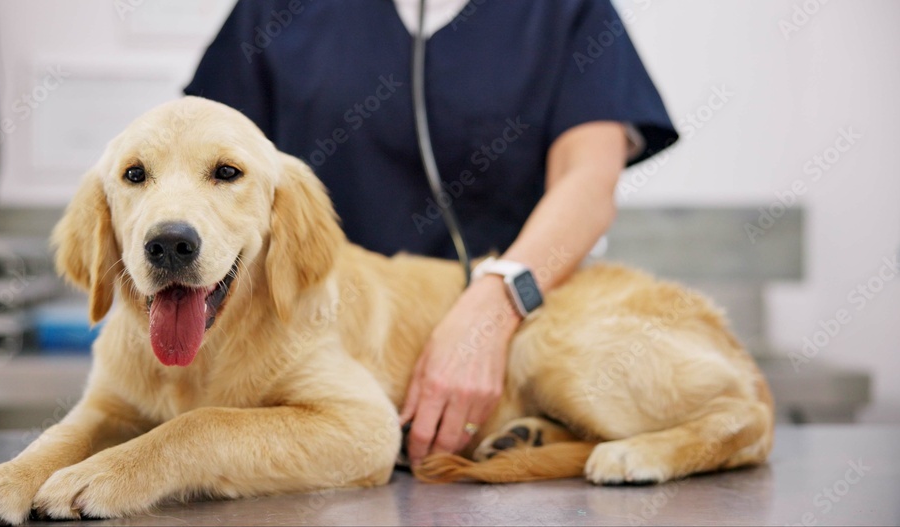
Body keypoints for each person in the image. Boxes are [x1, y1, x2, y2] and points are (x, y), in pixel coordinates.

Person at [185, 0, 678, 467]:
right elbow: (199, 163)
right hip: (307, 336)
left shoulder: (566, 10)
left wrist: (494, 307)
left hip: (505, 334)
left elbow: (588, 182)